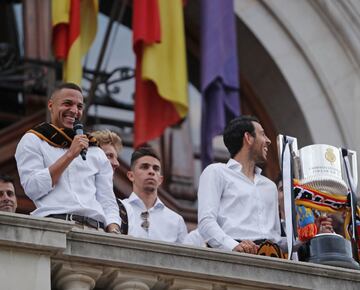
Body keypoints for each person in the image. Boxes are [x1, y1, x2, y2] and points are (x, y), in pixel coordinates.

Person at [15, 82, 121, 233]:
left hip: (95, 231)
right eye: (67, 104)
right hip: (55, 228)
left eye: (79, 106)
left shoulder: (94, 150)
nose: (74, 110)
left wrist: (114, 230)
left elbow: (107, 200)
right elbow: (33, 188)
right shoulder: (33, 140)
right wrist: (70, 155)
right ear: (51, 105)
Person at [198, 115, 281, 254]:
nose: (268, 141)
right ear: (248, 138)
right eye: (262, 134)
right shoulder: (217, 172)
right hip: (233, 258)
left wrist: (304, 237)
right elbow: (206, 223)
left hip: (271, 257)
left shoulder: (270, 187)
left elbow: (276, 239)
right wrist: (233, 246)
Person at [122, 147, 188, 243]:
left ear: (160, 180)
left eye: (156, 169)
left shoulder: (176, 221)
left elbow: (184, 257)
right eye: (144, 167)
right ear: (131, 176)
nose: (151, 171)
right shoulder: (119, 209)